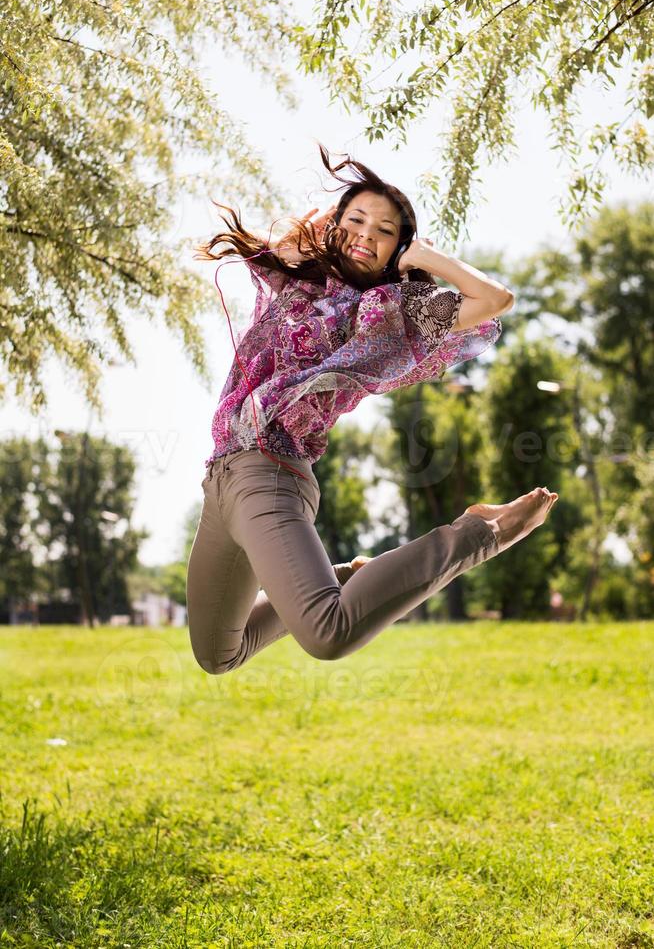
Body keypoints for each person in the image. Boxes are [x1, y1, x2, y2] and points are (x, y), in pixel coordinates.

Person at [186, 144, 558, 674]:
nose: (366, 233)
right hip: (220, 479)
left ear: (396, 250)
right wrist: (293, 243)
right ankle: (341, 576)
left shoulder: (389, 311)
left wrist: (428, 258)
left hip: (270, 472)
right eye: (356, 219)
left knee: (328, 634)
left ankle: (481, 533)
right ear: (336, 227)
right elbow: (269, 252)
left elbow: (494, 300)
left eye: (385, 230)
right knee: (218, 655)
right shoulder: (297, 279)